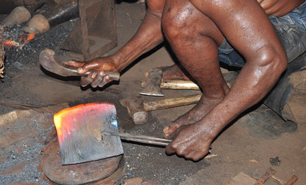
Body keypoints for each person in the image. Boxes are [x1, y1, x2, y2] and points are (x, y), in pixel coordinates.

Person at [65, 0, 306, 161]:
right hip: (242, 13)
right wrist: (118, 60)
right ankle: (214, 96)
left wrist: (207, 129)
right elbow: (159, 13)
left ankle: (217, 103)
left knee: (183, 13)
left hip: (293, 20)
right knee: (177, 13)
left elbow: (270, 60)